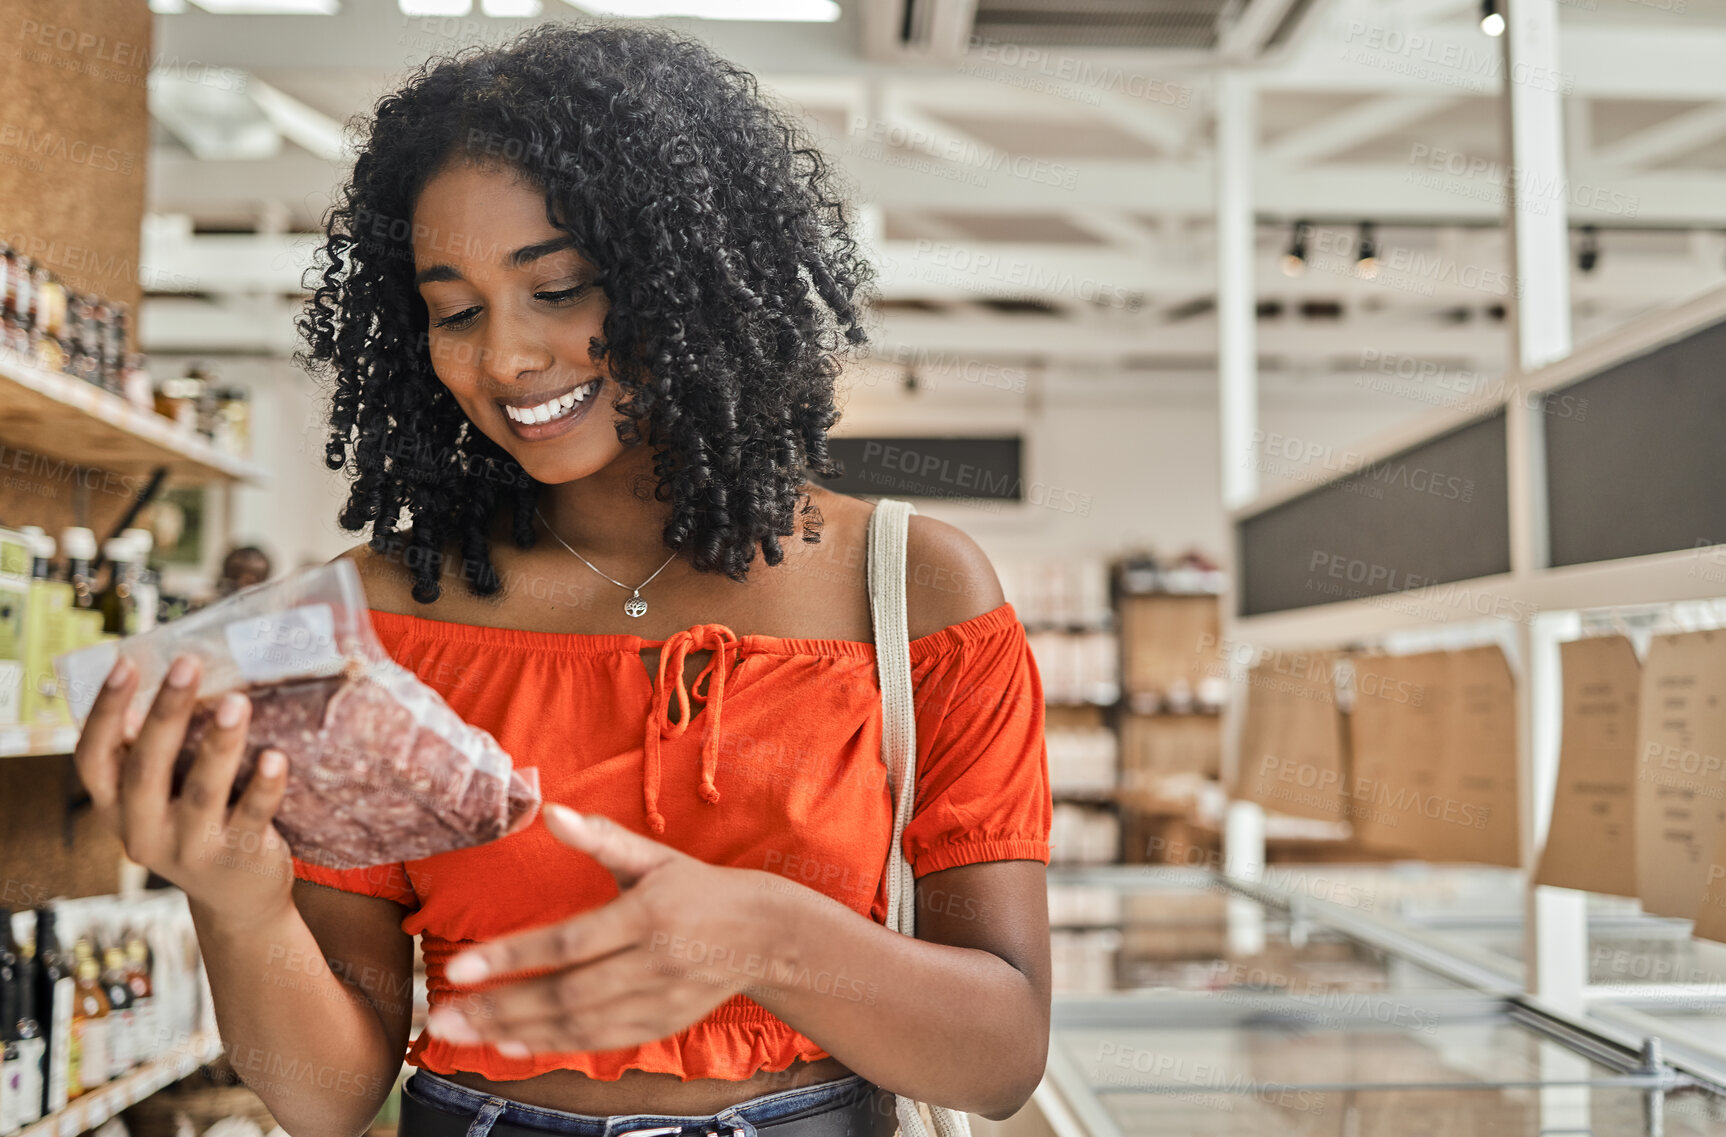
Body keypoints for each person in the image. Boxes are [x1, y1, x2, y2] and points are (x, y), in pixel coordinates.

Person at [72, 22, 1051, 1137]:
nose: (505, 358)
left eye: (561, 287)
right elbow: (329, 1096)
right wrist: (239, 906)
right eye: (455, 310)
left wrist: (762, 936)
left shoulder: (912, 589)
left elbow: (1002, 1057)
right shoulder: (380, 617)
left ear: (691, 274)